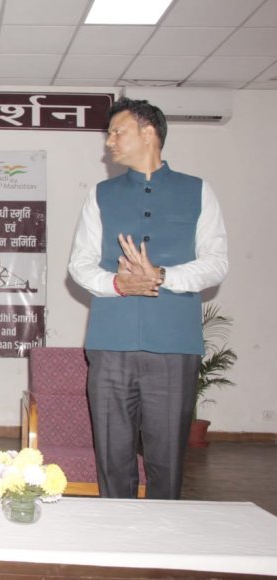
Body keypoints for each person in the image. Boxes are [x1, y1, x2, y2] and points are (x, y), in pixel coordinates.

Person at [68, 97, 229, 500]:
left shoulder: (199, 191)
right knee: (112, 456)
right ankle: (115, 541)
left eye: (116, 131)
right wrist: (120, 284)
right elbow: (80, 265)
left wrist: (162, 276)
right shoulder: (100, 195)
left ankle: (162, 547)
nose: (109, 142)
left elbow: (216, 263)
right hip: (110, 343)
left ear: (148, 132)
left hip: (174, 346)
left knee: (167, 460)